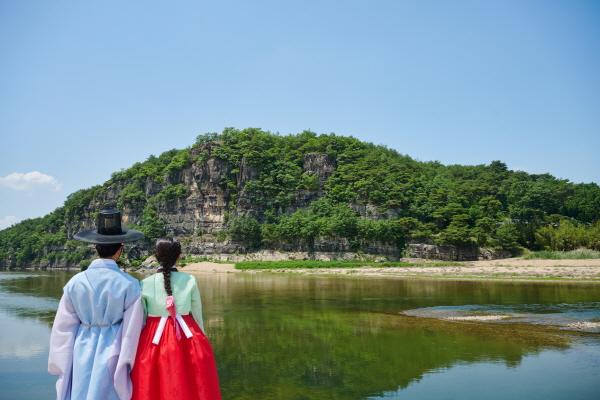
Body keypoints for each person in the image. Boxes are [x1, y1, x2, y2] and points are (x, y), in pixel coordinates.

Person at [48, 208, 145, 400]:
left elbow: (62, 331)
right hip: (114, 350)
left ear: (95, 247)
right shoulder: (130, 285)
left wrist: (61, 369)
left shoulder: (75, 283)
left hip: (81, 346)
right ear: (120, 249)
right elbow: (132, 333)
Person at [131, 238, 222, 400]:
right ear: (179, 256)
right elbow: (197, 314)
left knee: (153, 381)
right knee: (193, 382)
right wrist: (203, 340)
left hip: (154, 337)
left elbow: (141, 319)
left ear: (156, 256)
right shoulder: (190, 280)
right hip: (186, 334)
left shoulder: (144, 284)